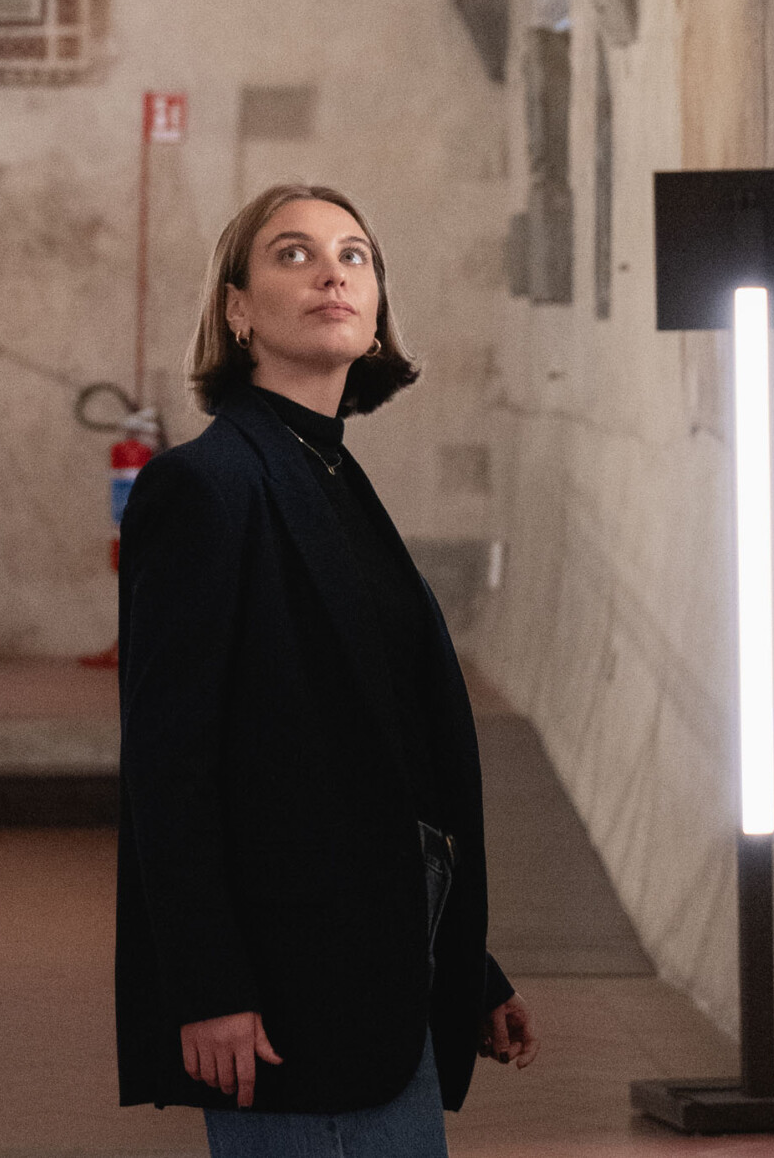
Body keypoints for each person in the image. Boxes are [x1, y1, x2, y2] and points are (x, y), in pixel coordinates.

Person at [115, 182, 539, 1155]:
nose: (331, 274)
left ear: (377, 306)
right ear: (236, 309)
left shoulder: (332, 475)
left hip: (384, 963)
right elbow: (171, 768)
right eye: (292, 253)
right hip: (286, 982)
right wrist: (208, 984)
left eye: (353, 255)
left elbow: (382, 751)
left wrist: (465, 966)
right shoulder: (205, 486)